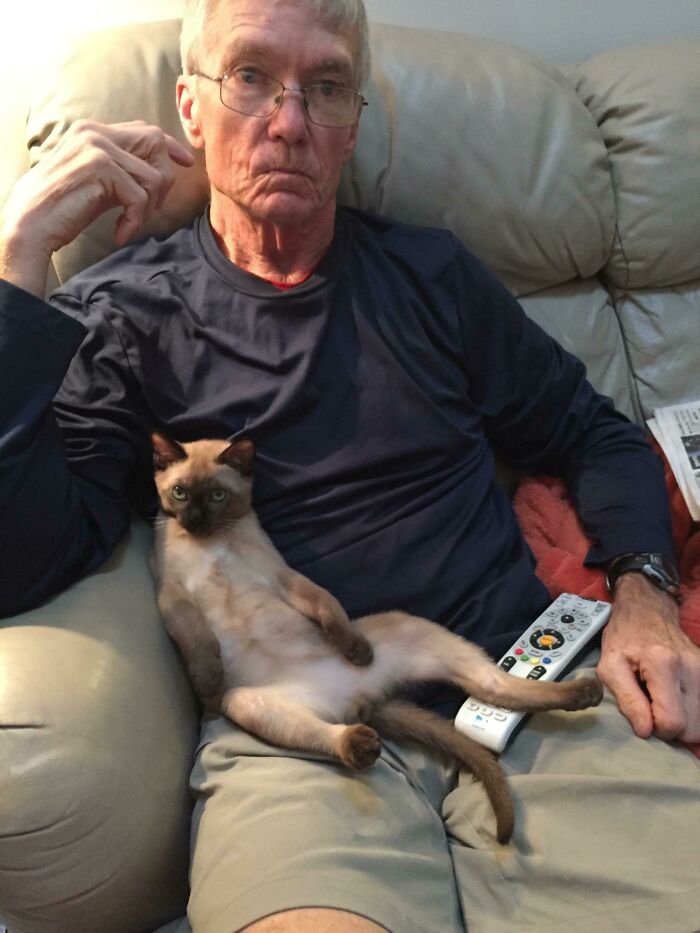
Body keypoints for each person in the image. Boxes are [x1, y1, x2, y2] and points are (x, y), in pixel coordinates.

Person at [1, 1, 699, 931]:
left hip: (524, 692)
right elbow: (28, 556)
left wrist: (645, 594)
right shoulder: (127, 313)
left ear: (353, 124)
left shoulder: (433, 274)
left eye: (325, 85)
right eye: (250, 76)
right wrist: (19, 267)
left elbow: (595, 432)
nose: (289, 120)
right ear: (192, 108)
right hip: (300, 742)